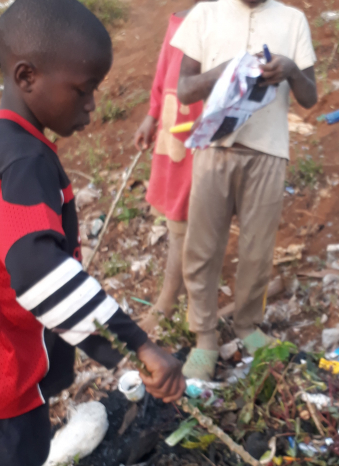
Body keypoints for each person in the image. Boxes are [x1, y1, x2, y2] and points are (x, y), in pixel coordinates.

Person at [0, 1, 185, 466]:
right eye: (82, 89)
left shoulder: (5, 143)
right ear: (27, 76)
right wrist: (139, 346)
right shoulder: (22, 161)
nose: (92, 105)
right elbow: (37, 271)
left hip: (2, 379)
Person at [171, 0, 318, 380]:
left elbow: (310, 97)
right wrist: (221, 73)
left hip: (269, 152)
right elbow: (184, 90)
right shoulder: (205, 14)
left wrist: (289, 70)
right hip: (215, 149)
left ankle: (247, 328)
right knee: (202, 247)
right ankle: (204, 338)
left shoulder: (293, 20)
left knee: (257, 250)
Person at [133, 1, 210, 334]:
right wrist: (151, 116)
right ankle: (172, 298)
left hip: (202, 126)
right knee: (176, 212)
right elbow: (164, 71)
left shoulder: (222, 21)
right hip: (172, 127)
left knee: (197, 207)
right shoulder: (178, 20)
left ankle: (177, 300)